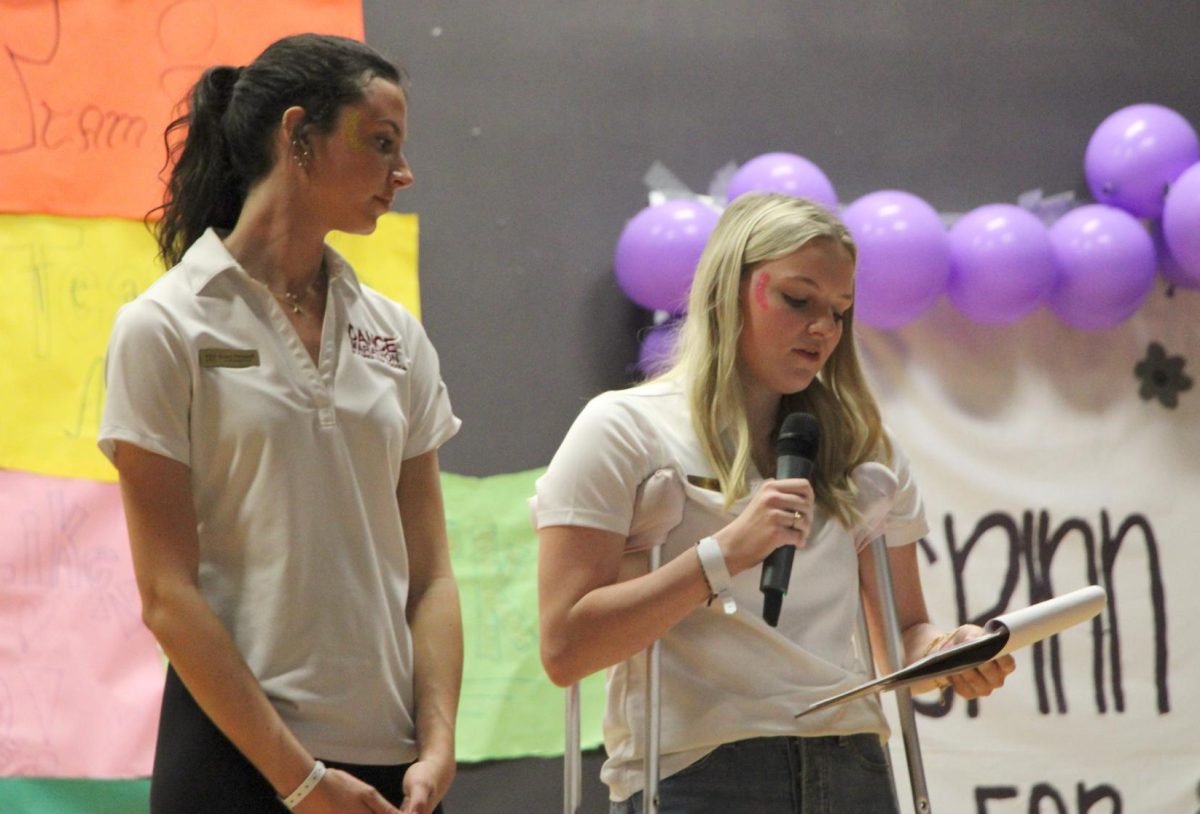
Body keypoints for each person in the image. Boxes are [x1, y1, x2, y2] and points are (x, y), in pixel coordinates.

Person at [534, 192, 1016, 813]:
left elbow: (904, 633)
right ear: (729, 290)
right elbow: (565, 649)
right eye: (798, 299)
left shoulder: (864, 448)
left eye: (839, 311)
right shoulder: (625, 429)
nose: (823, 328)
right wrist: (722, 556)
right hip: (700, 768)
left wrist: (951, 653)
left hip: (852, 761)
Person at [99, 34, 462, 814]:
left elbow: (430, 577)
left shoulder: (396, 336)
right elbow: (166, 592)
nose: (404, 173)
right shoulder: (164, 327)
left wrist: (437, 742)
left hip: (395, 771)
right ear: (298, 136)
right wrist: (298, 779)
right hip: (235, 762)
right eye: (381, 143)